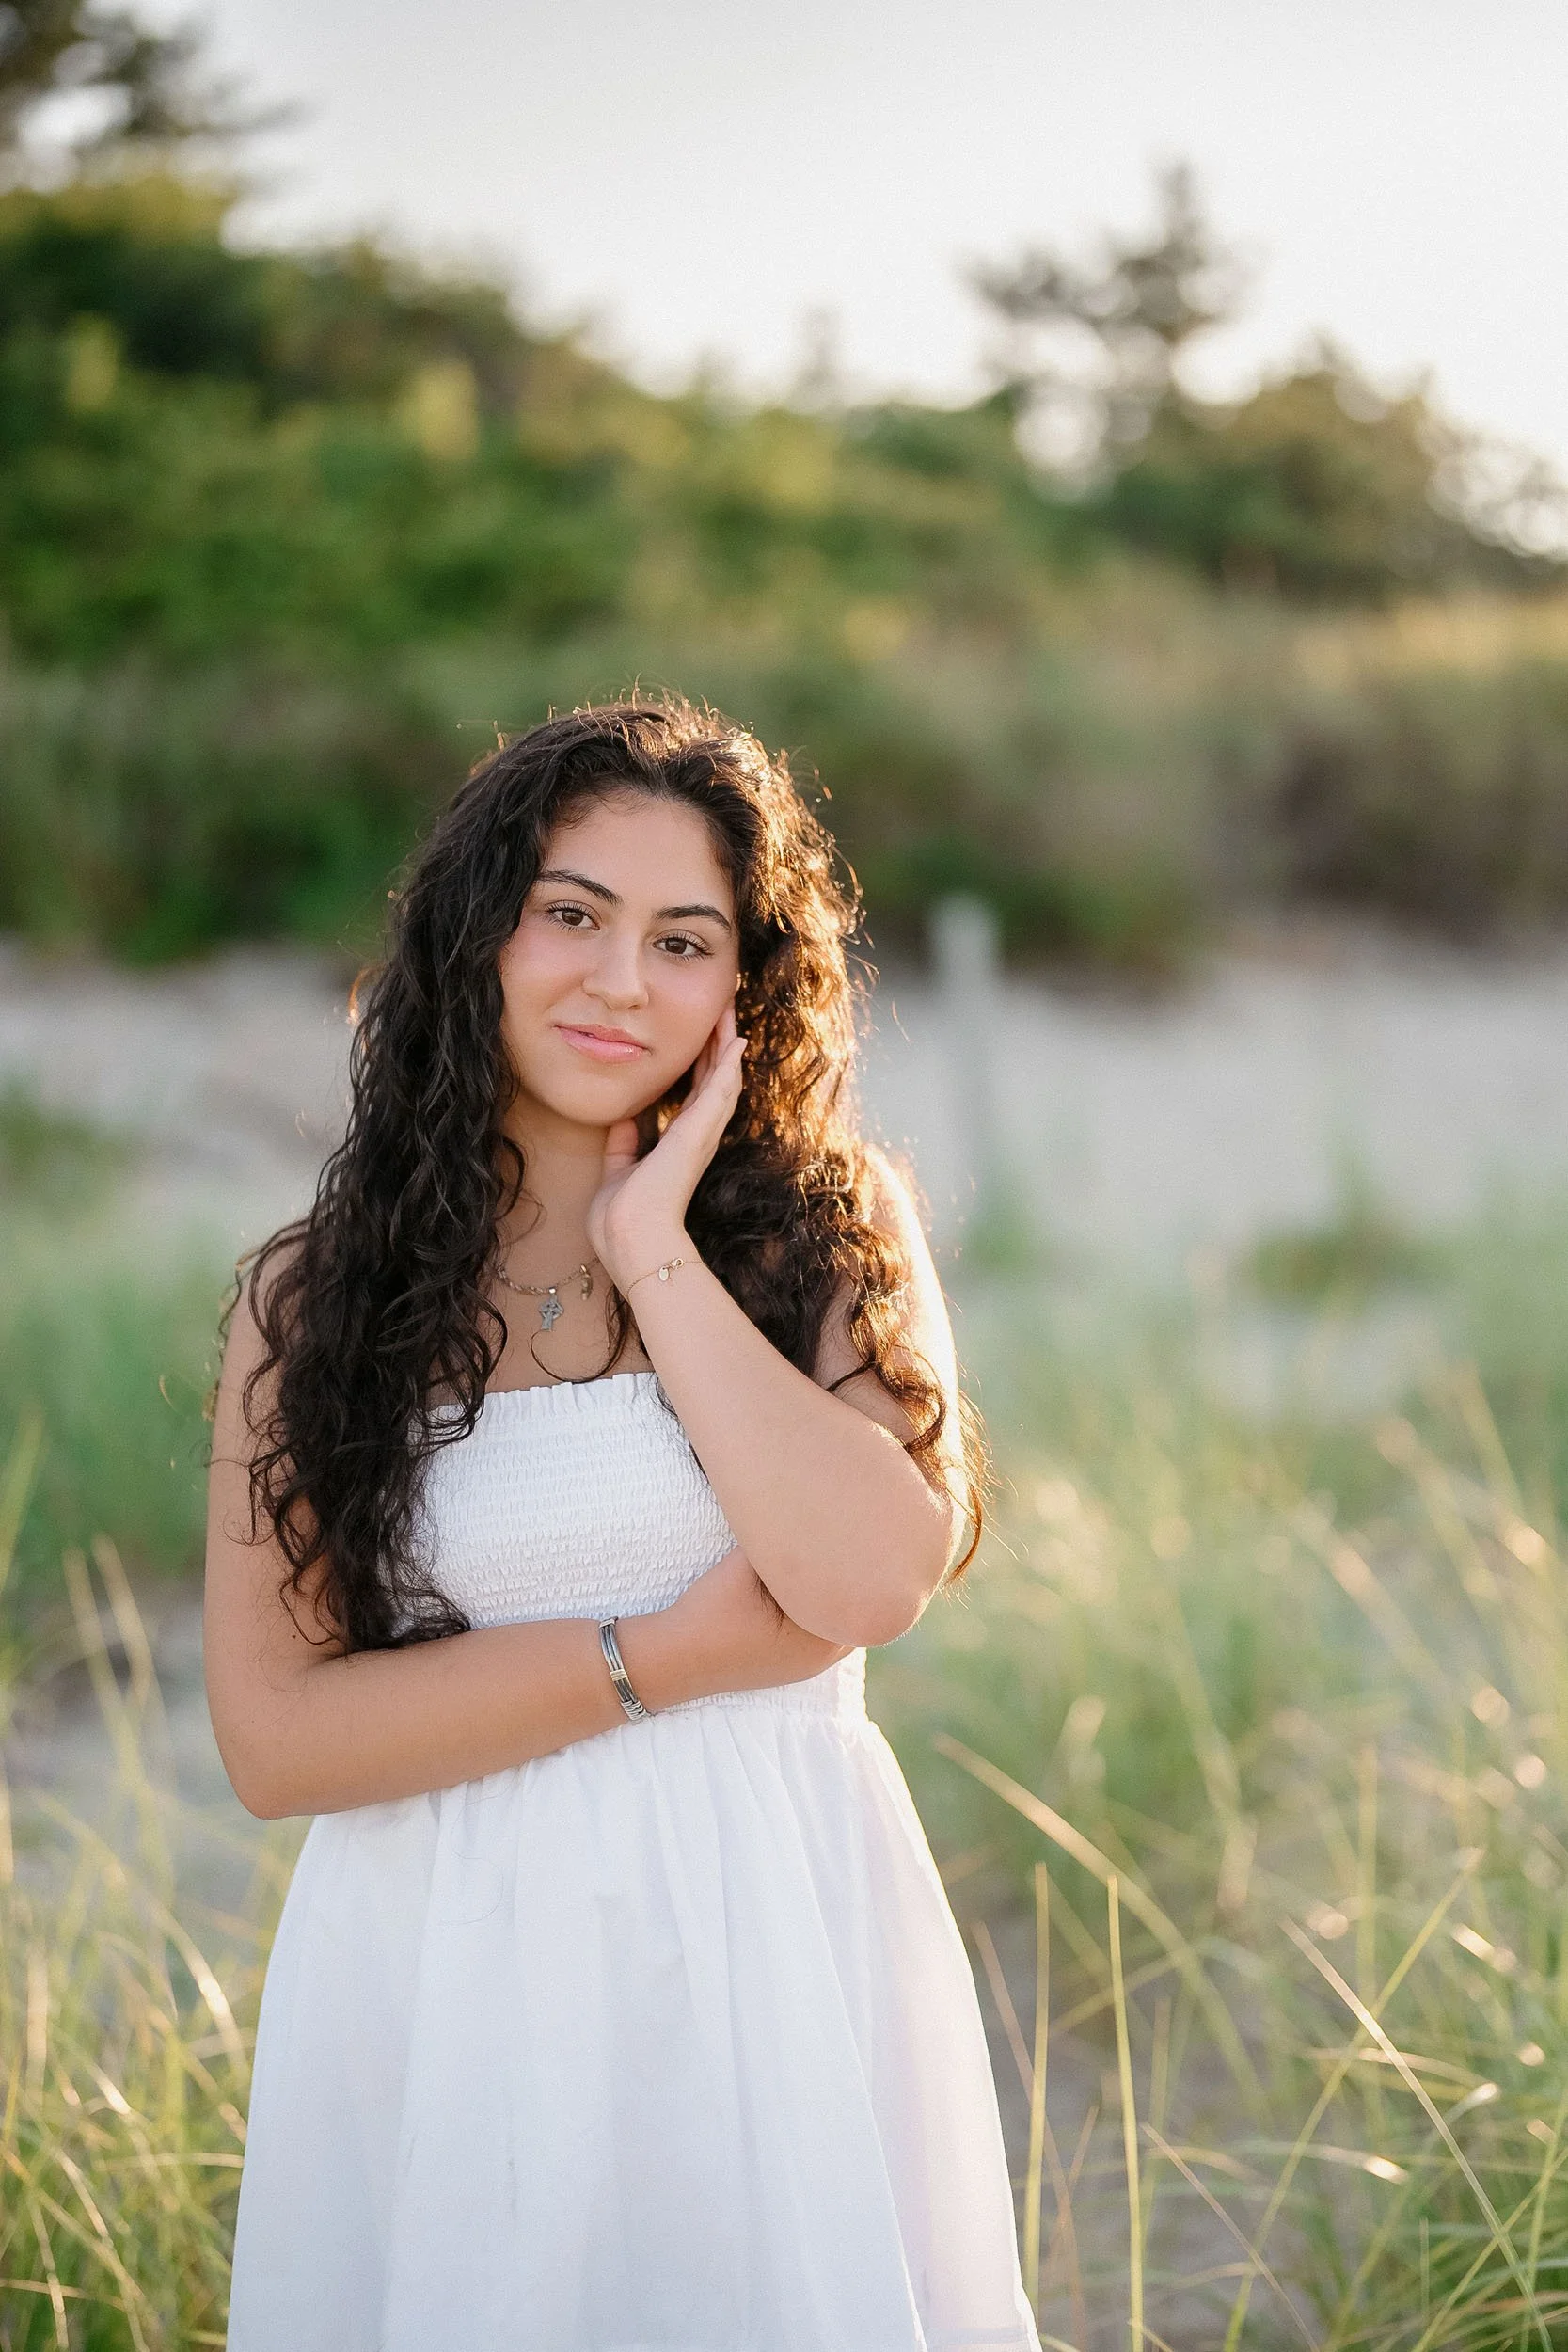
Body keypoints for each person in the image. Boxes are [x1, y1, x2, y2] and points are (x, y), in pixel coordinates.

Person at [205, 697, 1041, 2351]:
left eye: (684, 940)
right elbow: (277, 1742)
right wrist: (664, 1654)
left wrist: (652, 1243)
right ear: (479, 931)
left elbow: (871, 1576)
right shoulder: (326, 1293)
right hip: (447, 1980)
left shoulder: (828, 1230)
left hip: (774, 1954)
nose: (619, 982)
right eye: (570, 912)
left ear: (745, 989)